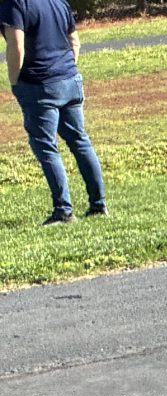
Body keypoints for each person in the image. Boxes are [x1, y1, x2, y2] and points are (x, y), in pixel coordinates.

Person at [0, 0, 103, 227]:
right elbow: (74, 41)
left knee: (46, 146)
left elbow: (16, 46)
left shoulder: (13, 4)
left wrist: (15, 83)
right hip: (70, 79)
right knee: (80, 141)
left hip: (39, 85)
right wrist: (66, 69)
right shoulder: (57, 1)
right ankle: (98, 205)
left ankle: (63, 211)